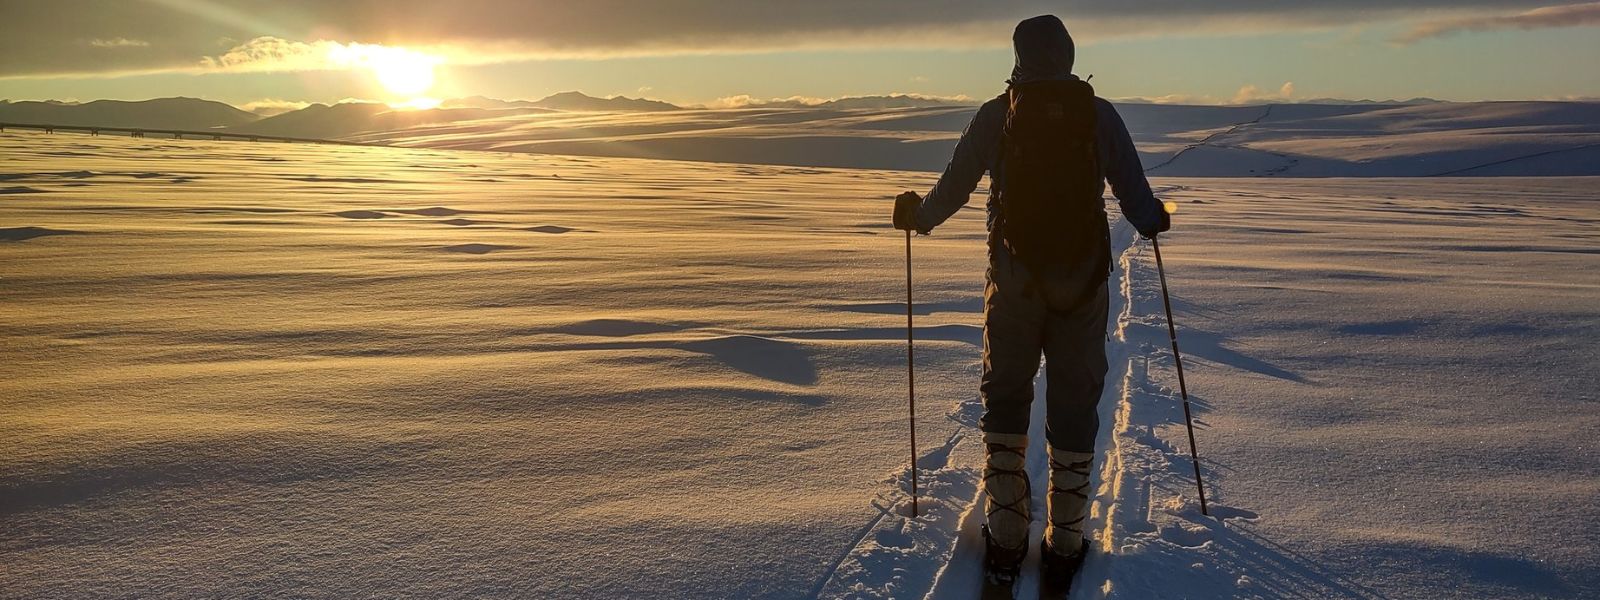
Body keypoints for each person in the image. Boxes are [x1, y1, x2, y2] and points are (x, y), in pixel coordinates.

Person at [892, 14, 1170, 589]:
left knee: (1007, 393)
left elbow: (956, 184)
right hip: (1084, 279)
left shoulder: (1000, 113)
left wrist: (918, 217)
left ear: (1019, 56)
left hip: (1014, 280)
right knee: (1074, 396)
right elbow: (1133, 192)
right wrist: (1152, 220)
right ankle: (1066, 539)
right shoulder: (1097, 113)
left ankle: (1008, 532)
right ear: (1068, 56)